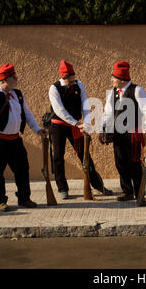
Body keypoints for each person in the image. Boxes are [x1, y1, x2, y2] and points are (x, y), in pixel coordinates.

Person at [0, 63, 45, 212]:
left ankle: (24, 198)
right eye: (13, 76)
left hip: (15, 140)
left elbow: (27, 113)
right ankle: (0, 201)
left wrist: (37, 129)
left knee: (23, 169)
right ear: (5, 79)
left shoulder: (18, 94)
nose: (16, 78)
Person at [48, 60, 112, 200]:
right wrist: (76, 123)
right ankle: (62, 188)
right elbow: (59, 110)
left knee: (84, 155)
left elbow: (85, 105)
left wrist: (87, 124)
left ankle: (98, 185)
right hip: (58, 125)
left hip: (76, 126)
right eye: (69, 82)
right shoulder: (54, 88)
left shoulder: (79, 85)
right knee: (58, 157)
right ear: (63, 78)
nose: (72, 83)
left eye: (73, 80)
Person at [99, 61, 146, 203]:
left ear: (122, 80)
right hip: (118, 133)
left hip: (132, 134)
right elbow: (107, 112)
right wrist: (102, 128)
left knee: (134, 164)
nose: (111, 80)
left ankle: (139, 193)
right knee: (120, 163)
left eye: (113, 78)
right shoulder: (113, 92)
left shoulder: (137, 90)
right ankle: (127, 191)